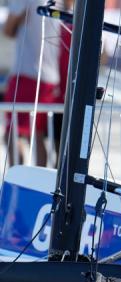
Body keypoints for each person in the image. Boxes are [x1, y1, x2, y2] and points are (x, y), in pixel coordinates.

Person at [3, 0, 62, 166]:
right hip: (50, 77)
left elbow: (8, 30)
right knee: (35, 133)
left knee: (12, 134)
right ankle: (39, 183)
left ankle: (16, 182)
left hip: (28, 74)